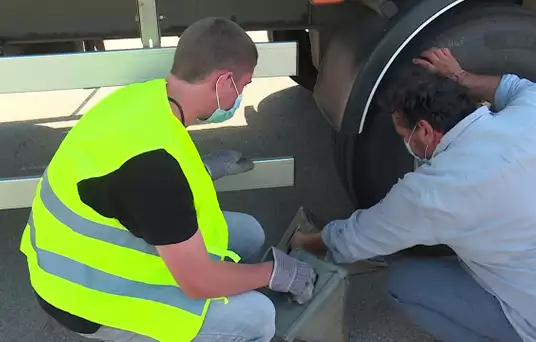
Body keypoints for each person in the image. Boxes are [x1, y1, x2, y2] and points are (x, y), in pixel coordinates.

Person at [20, 17, 317, 342]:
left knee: (248, 233)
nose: (240, 95)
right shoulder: (155, 173)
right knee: (259, 316)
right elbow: (197, 281)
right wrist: (275, 274)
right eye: (243, 86)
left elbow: (128, 181)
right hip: (81, 294)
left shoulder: (144, 99)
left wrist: (200, 171)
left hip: (82, 250)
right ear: (224, 83)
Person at [292, 47, 536, 341]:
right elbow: (511, 87)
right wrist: (459, 75)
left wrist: (307, 242)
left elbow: (353, 240)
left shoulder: (433, 191)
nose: (407, 141)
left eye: (405, 133)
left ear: (425, 131)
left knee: (406, 284)